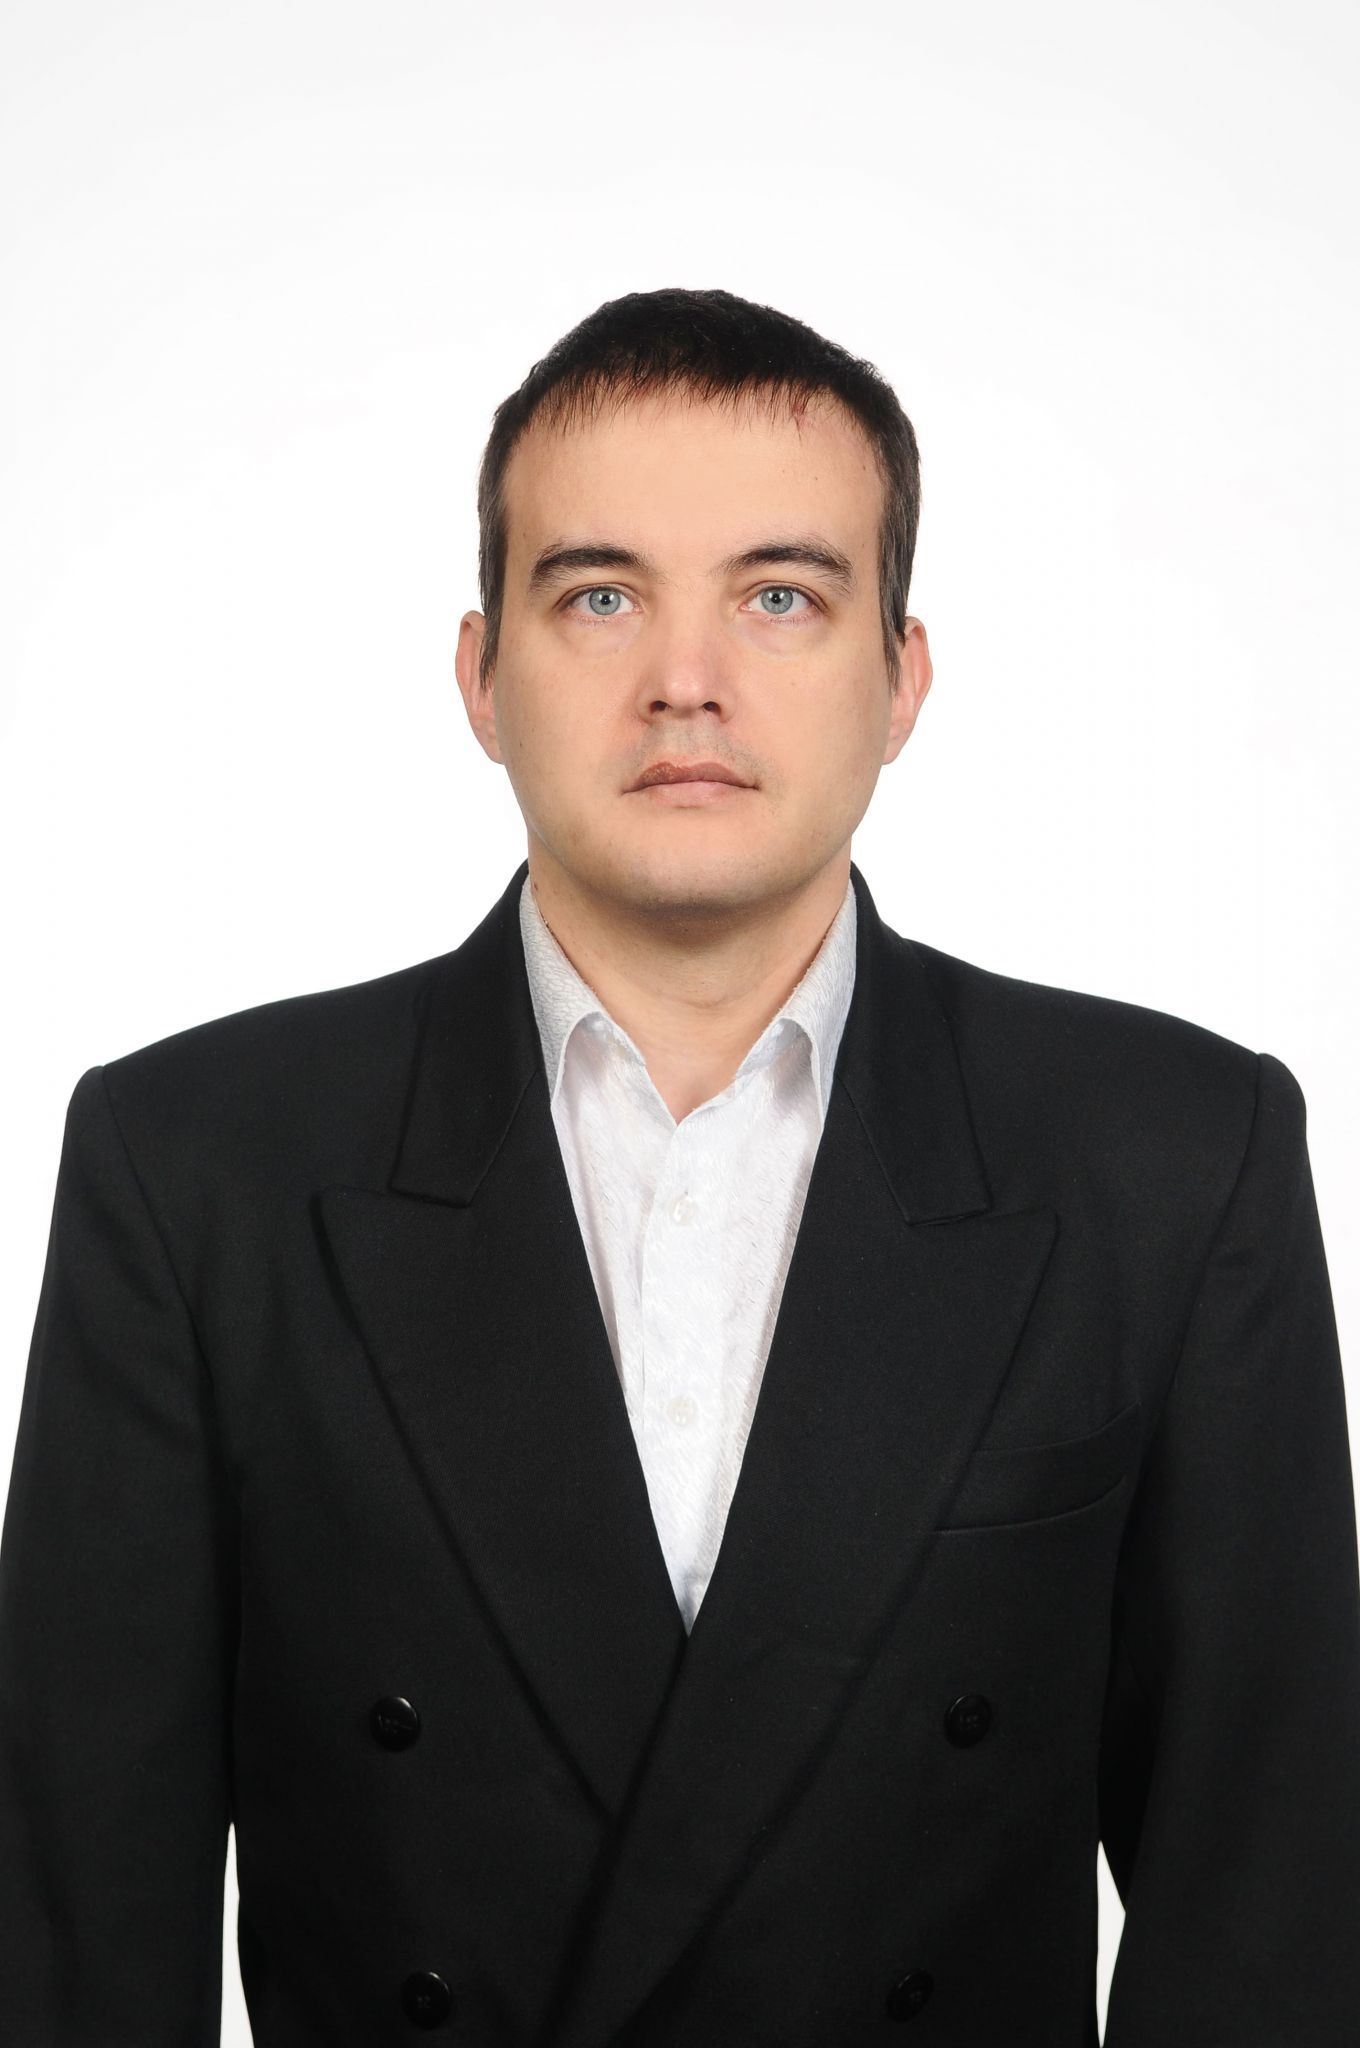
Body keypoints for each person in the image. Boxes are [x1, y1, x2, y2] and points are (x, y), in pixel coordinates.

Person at [1, 286, 1357, 2046]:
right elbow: (79, 1931)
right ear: (483, 678)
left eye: (781, 596)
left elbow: (1269, 1912)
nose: (686, 681)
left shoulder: (1172, 1157)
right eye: (600, 595)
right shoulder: (194, 1168)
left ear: (902, 679)